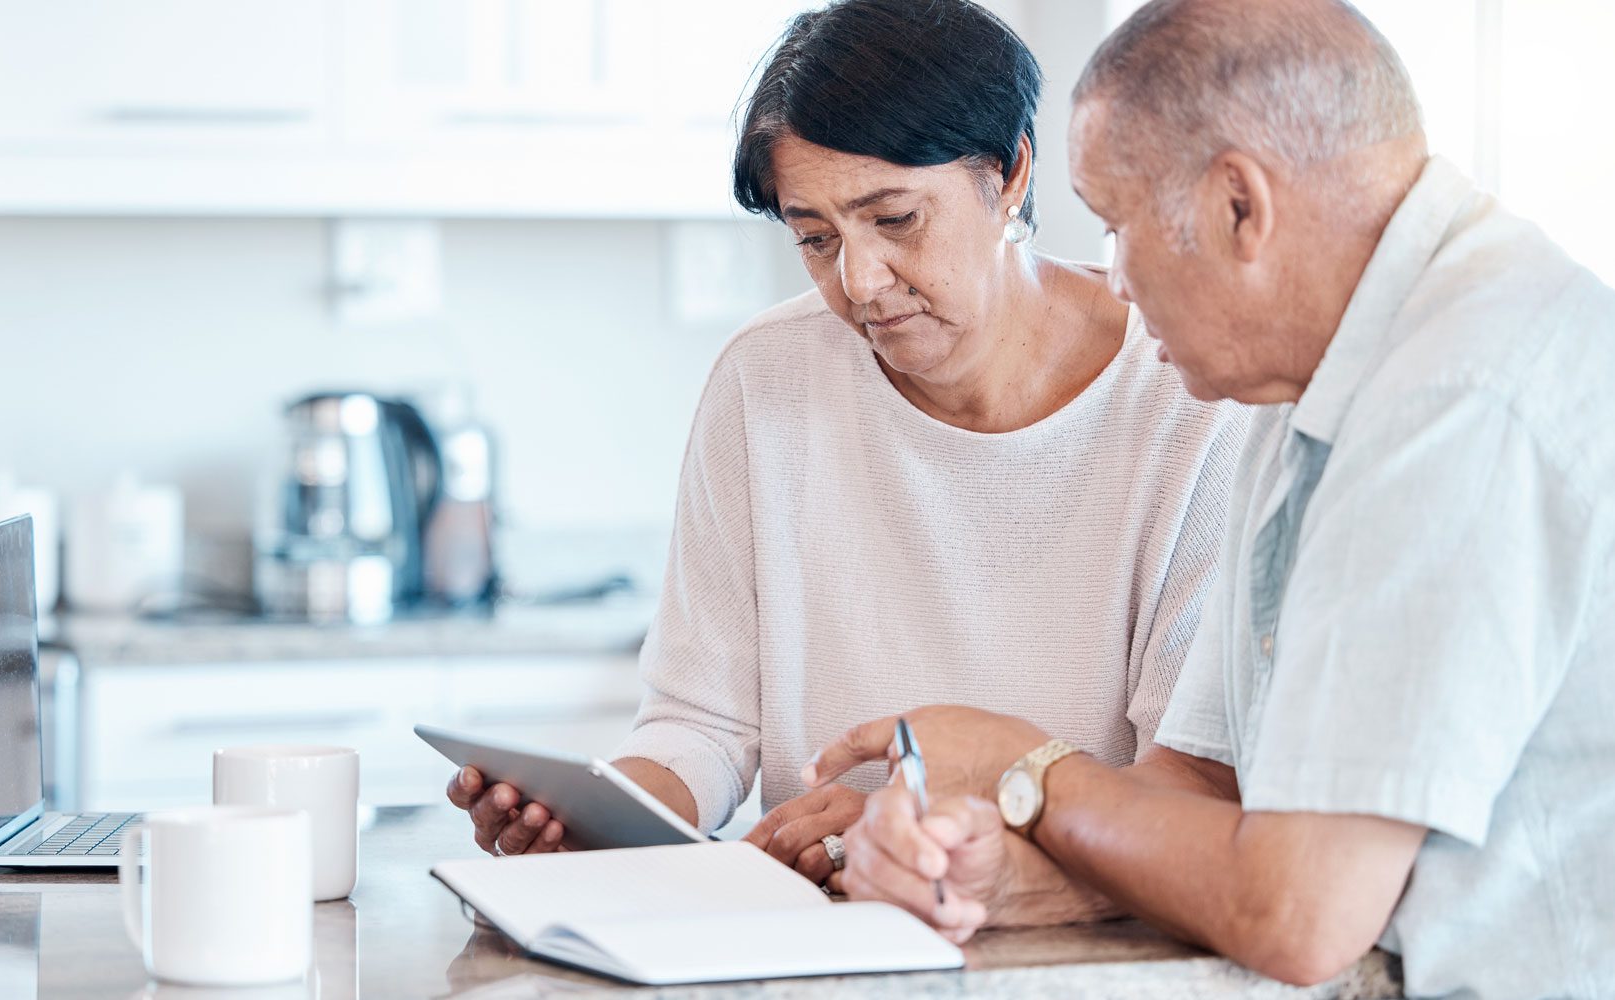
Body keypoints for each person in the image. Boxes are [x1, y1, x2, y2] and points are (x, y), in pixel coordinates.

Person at [808, 0, 1615, 995]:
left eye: (1116, 223)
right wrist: (1013, 870)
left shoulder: (1456, 399)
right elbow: (1206, 784)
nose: (1113, 276)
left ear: (1240, 206)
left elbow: (1298, 910)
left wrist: (1022, 766)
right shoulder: (1308, 372)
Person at [446, 0, 1245, 892]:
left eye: (896, 219)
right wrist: (599, 815)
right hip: (805, 941)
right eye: (816, 239)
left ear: (1009, 172)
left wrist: (930, 836)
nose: (860, 283)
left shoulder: (1192, 397)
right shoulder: (766, 381)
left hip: (1062, 943)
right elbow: (701, 725)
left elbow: (1189, 795)